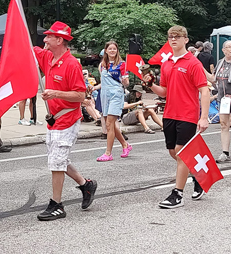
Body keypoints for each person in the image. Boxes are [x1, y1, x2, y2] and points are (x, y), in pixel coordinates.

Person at [33, 21, 97, 221]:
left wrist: (55, 93)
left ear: (59, 40)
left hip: (67, 118)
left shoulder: (72, 64)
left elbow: (80, 95)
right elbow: (27, 47)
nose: (44, 39)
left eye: (48, 36)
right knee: (57, 159)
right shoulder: (48, 57)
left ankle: (57, 205)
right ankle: (86, 185)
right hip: (54, 120)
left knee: (56, 161)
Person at [146, 25, 209, 209]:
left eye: (177, 36)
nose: (173, 39)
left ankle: (177, 194)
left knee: (181, 152)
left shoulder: (193, 63)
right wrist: (150, 85)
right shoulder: (166, 63)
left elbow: (204, 91)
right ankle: (197, 176)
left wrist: (203, 117)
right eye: (170, 37)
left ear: (185, 39)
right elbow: (164, 92)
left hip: (188, 114)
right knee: (174, 152)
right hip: (169, 114)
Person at [92, 41, 131, 161]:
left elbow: (126, 82)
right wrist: (94, 87)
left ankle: (108, 153)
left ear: (117, 50)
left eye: (114, 49)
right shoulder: (103, 65)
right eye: (110, 49)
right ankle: (125, 145)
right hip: (105, 95)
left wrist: (125, 82)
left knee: (109, 124)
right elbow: (103, 83)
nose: (112, 51)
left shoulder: (122, 64)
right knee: (112, 124)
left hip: (116, 95)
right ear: (106, 50)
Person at [211, 40, 231, 163]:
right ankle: (225, 152)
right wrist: (200, 69)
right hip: (223, 99)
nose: (230, 49)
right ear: (223, 50)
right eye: (228, 47)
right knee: (224, 124)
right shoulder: (220, 63)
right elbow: (213, 79)